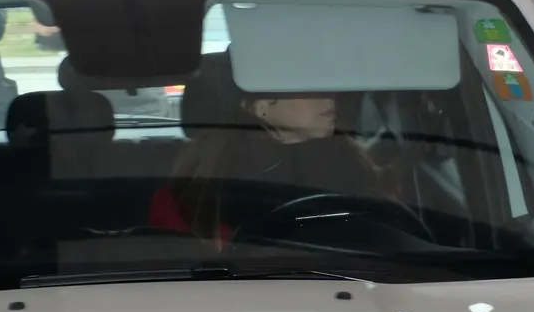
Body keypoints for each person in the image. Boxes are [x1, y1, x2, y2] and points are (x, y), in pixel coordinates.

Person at [152, 53, 404, 250]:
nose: (330, 95)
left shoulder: (357, 166)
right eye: (308, 86)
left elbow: (392, 237)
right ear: (260, 106)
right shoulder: (195, 194)